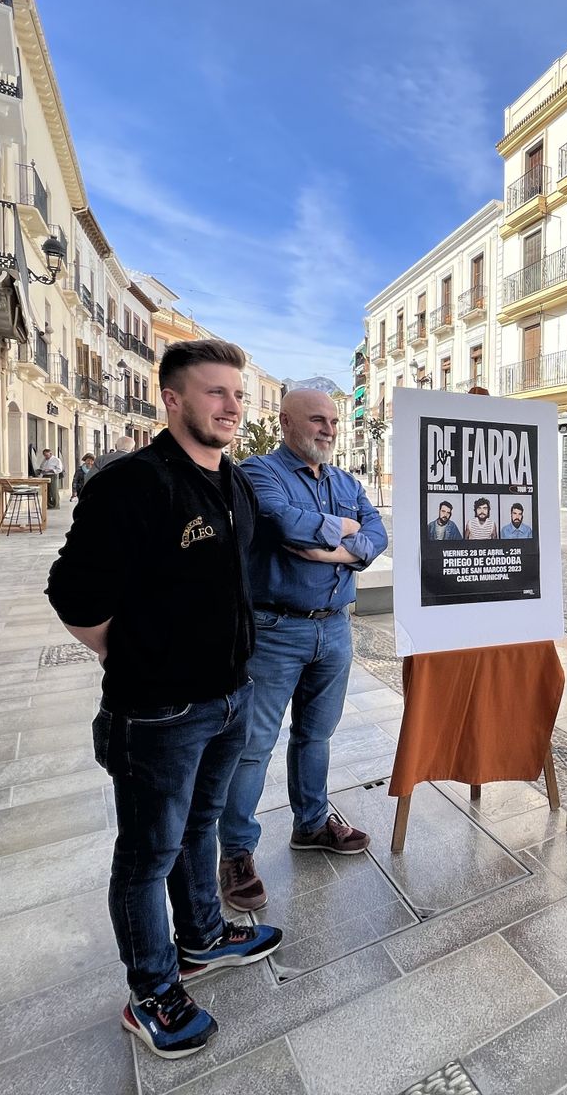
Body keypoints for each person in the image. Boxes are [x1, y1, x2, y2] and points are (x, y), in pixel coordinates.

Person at [45, 339, 283, 1061]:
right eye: (215, 393)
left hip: (228, 699)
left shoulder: (232, 482)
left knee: (200, 829)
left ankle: (204, 937)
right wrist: (133, 651)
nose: (232, 407)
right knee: (147, 855)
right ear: (172, 400)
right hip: (158, 712)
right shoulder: (135, 483)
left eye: (237, 395)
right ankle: (152, 991)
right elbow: (73, 592)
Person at [216, 388, 387, 912]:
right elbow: (285, 525)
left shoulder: (344, 481)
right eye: (318, 420)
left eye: (334, 421)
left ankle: (311, 824)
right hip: (275, 629)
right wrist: (343, 538)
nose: (330, 430)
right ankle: (237, 854)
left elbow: (377, 534)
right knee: (253, 744)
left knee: (317, 735)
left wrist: (331, 546)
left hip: (334, 627)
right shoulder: (258, 472)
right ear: (286, 422)